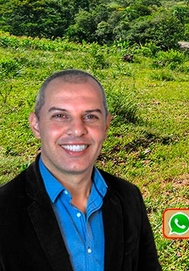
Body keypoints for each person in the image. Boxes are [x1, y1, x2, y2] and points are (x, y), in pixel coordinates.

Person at [0, 69, 162, 271]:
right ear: (36, 124)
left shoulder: (129, 197)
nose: (77, 130)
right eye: (60, 115)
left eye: (91, 116)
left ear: (106, 125)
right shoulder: (4, 209)